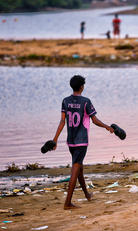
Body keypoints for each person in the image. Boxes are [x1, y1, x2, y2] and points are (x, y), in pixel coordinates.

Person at [52, 75, 114, 210]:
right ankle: (67, 203)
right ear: (82, 87)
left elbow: (62, 121)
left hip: (71, 141)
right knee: (75, 169)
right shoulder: (86, 102)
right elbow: (95, 120)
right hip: (81, 141)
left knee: (79, 167)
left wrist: (55, 139)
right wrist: (107, 127)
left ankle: (87, 195)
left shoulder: (65, 101)